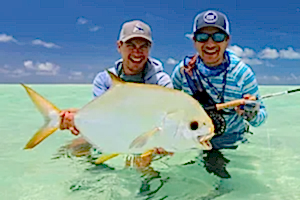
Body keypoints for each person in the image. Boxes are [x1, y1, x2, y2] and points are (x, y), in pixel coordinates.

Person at [170, 10, 267, 194]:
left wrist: (251, 113)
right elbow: (169, 108)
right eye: (203, 37)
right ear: (194, 41)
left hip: (229, 141)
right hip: (193, 139)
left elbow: (262, 118)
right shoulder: (183, 72)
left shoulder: (242, 74)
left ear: (227, 40)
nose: (210, 43)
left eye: (218, 36)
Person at [59, 19, 173, 159]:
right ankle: (96, 174)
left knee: (142, 159)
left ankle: (149, 179)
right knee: (75, 148)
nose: (137, 52)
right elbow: (101, 116)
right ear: (119, 46)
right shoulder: (104, 79)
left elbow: (166, 120)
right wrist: (79, 117)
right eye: (131, 45)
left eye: (143, 46)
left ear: (150, 48)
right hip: (114, 131)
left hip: (146, 136)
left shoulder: (161, 82)